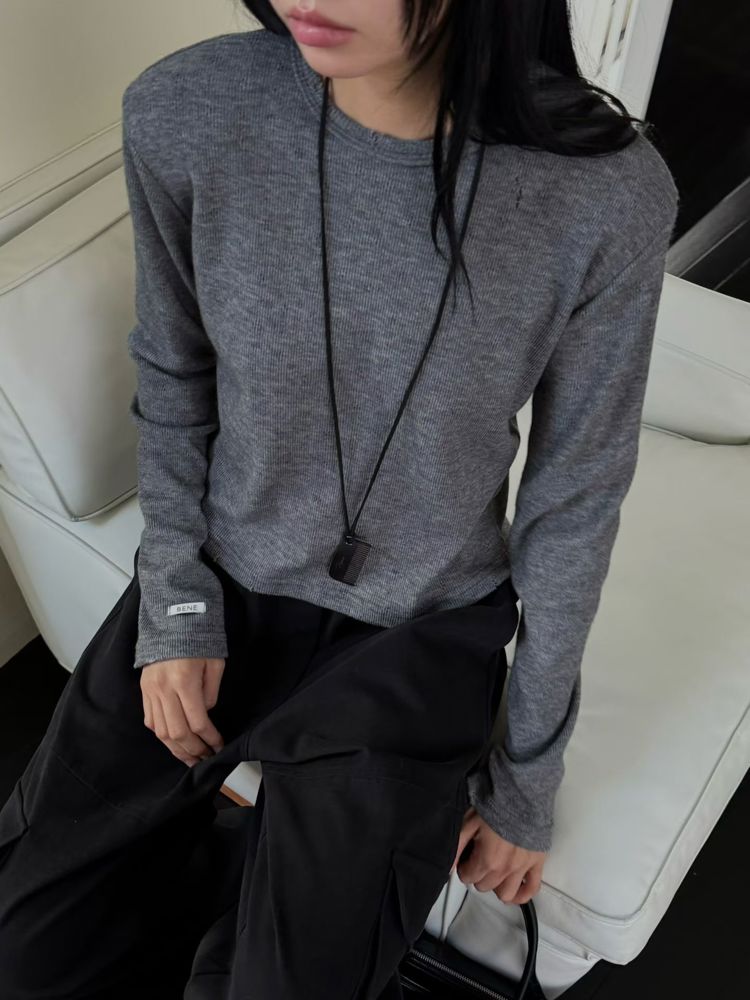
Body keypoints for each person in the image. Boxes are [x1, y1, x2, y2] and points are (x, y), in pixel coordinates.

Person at [0, 1, 679, 997]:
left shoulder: (604, 192)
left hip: (419, 632)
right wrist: (176, 598)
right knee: (23, 955)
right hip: (225, 577)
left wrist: (527, 777)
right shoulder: (188, 108)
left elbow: (574, 496)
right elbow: (175, 370)